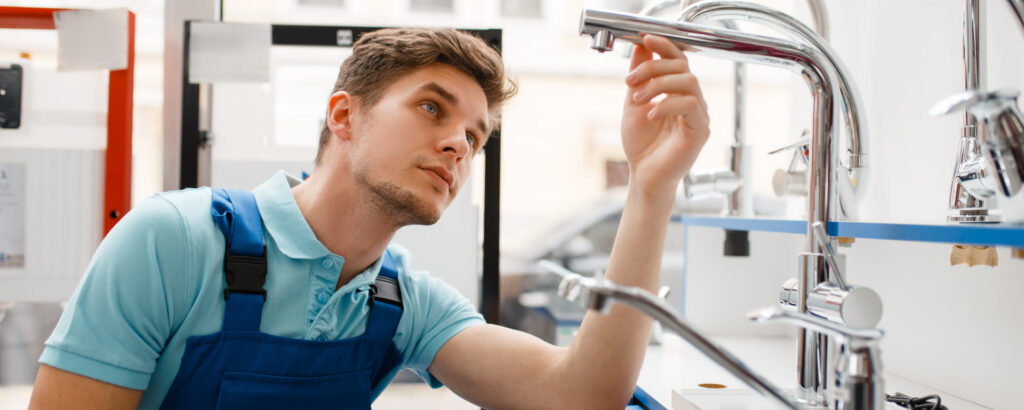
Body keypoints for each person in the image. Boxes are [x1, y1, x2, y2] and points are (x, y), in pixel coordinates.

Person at [29, 27, 709, 409]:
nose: (458, 145)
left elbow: (582, 399)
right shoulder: (172, 242)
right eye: (432, 108)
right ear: (344, 115)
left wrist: (652, 185)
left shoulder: (401, 303)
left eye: (475, 137)